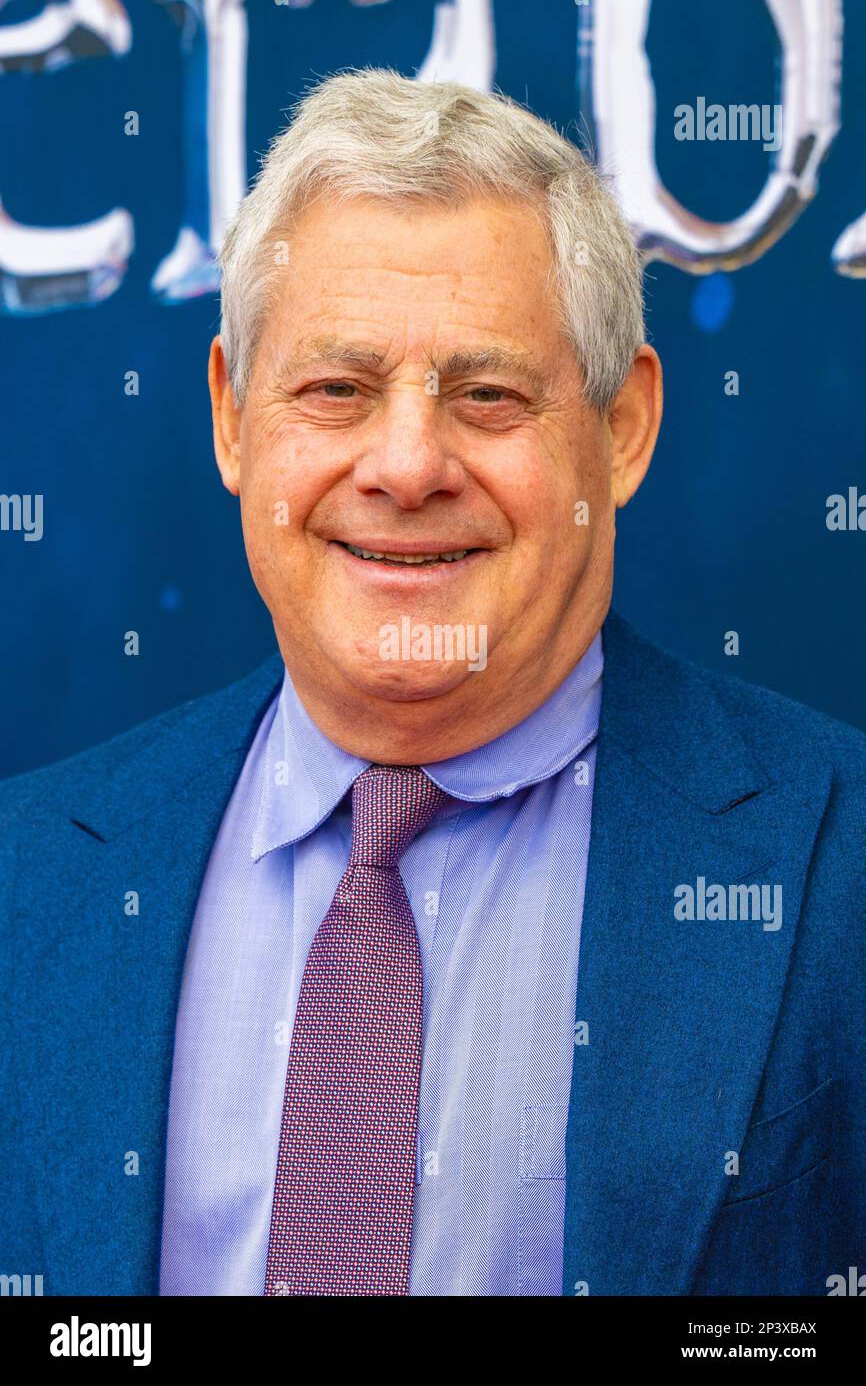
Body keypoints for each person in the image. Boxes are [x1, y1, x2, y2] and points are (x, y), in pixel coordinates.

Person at [1, 69, 863, 1298]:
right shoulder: (26, 878)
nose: (406, 465)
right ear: (234, 418)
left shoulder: (841, 868)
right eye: (336, 388)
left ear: (621, 428)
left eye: (487, 395)